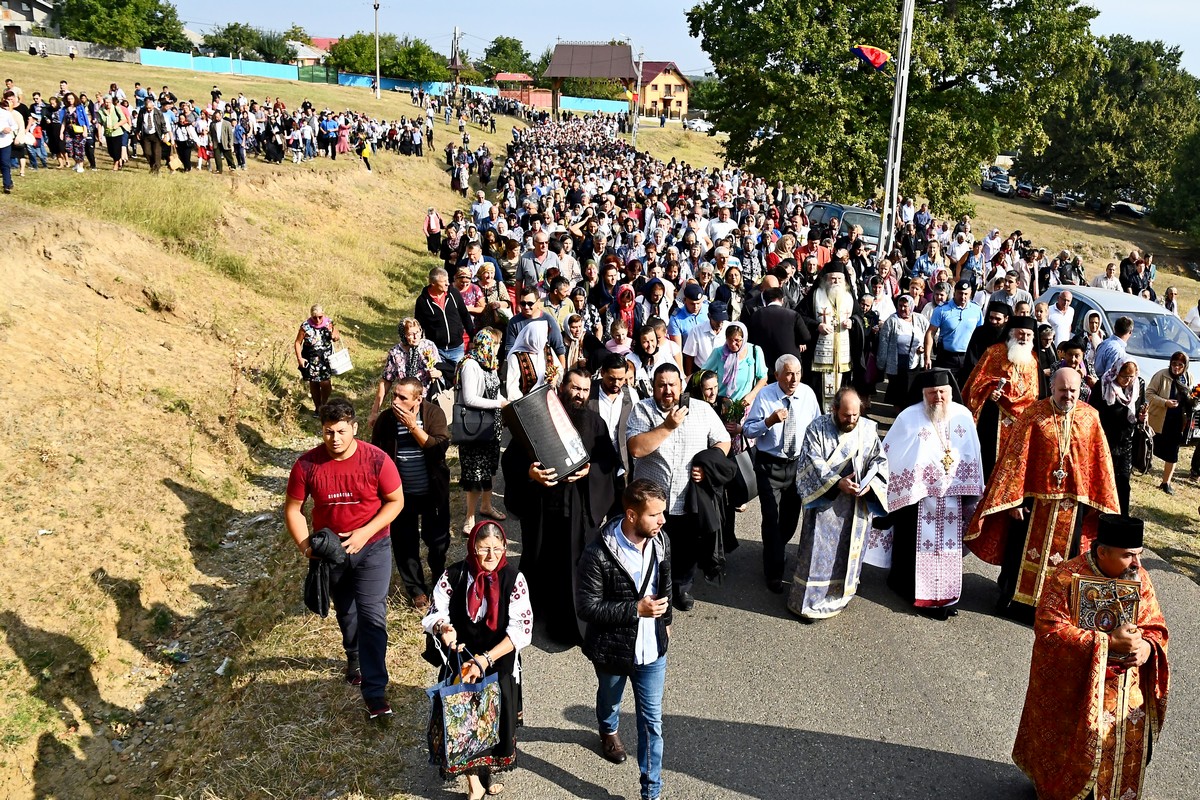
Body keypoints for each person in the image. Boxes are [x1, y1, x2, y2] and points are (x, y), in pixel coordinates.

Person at [1012, 514, 1169, 800]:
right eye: (1127, 556)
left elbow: (1155, 625)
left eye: (1139, 555)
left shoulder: (1139, 577)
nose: (1137, 564)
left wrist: (1146, 648)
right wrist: (1107, 643)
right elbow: (1049, 631)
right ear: (1101, 551)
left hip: (1125, 690)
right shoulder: (1065, 578)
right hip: (1077, 687)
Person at [966, 368, 1121, 622]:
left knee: (1067, 561)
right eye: (1063, 390)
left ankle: (1055, 610)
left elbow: (1100, 462)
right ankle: (1015, 602)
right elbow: (1015, 460)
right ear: (1052, 388)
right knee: (1021, 553)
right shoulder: (1034, 414)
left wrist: (1100, 503)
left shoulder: (1090, 417)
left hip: (1072, 505)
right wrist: (1012, 502)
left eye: (1073, 390)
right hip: (1033, 503)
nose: (1068, 395)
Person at [284, 399, 404, 718]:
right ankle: (353, 654)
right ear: (321, 431)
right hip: (332, 552)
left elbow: (396, 501)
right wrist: (305, 546)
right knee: (347, 613)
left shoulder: (377, 460)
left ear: (353, 428)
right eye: (328, 432)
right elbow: (293, 509)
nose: (334, 438)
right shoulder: (307, 465)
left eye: (341, 431)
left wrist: (366, 532)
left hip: (373, 547)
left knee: (372, 615)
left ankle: (375, 692)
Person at [575, 479, 673, 800]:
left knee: (651, 722)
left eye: (663, 513)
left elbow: (664, 585)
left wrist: (666, 622)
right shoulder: (598, 553)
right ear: (631, 515)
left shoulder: (661, 542)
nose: (662, 521)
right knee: (610, 698)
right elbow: (587, 607)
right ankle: (609, 728)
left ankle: (651, 791)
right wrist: (636, 609)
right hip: (613, 650)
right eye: (654, 515)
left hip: (652, 651)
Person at [504, 368, 617, 644]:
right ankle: (534, 618)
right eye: (574, 388)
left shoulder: (595, 423)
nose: (578, 394)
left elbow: (608, 464)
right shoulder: (538, 418)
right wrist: (530, 474)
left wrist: (590, 471)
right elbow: (512, 459)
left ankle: (572, 623)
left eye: (584, 390)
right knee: (540, 559)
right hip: (541, 506)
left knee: (577, 567)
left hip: (579, 508)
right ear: (562, 387)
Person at [422, 521, 532, 799]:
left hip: (498, 663)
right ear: (473, 548)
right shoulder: (455, 575)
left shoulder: (514, 579)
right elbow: (436, 612)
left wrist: (485, 660)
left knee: (494, 725)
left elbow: (521, 630)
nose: (491, 555)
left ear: (505, 547)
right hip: (460, 661)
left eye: (497, 548)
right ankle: (474, 784)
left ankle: (486, 772)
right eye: (484, 549)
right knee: (464, 724)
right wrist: (444, 630)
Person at [879, 370, 984, 619]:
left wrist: (973, 486)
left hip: (952, 496)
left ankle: (945, 595)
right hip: (917, 500)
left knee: (949, 546)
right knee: (912, 546)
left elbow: (973, 452)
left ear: (951, 392)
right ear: (923, 394)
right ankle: (913, 592)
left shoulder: (963, 415)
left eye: (942, 392)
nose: (938, 397)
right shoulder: (909, 416)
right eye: (932, 393)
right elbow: (892, 452)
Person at [626, 364, 731, 611]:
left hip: (688, 498)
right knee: (649, 548)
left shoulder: (702, 410)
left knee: (686, 549)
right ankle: (651, 590)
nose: (667, 390)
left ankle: (681, 587)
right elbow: (636, 448)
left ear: (681, 386)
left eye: (672, 384)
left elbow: (723, 441)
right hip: (652, 502)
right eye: (661, 385)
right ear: (653, 387)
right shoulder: (642, 410)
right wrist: (667, 426)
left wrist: (707, 465)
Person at [788, 387, 888, 620]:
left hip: (857, 504)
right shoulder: (817, 428)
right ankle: (809, 603)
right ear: (834, 410)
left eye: (855, 415)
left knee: (846, 551)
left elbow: (879, 461)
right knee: (817, 552)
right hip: (826, 503)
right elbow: (812, 461)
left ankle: (840, 597)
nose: (851, 420)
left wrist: (869, 485)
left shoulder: (868, 428)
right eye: (846, 415)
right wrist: (836, 482)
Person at [371, 377, 450, 611]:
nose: (395, 401)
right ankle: (416, 589)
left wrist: (413, 427)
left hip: (432, 492)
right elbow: (377, 458)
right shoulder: (385, 421)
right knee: (405, 543)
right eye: (394, 395)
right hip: (400, 497)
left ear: (418, 399)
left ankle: (438, 581)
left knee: (437, 543)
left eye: (402, 398)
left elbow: (439, 449)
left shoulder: (433, 414)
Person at [744, 355, 821, 592]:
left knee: (789, 521)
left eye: (797, 373)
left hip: (797, 465)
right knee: (772, 519)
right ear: (777, 375)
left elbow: (817, 426)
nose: (793, 379)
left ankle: (775, 548)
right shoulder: (766, 396)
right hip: (770, 466)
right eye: (788, 374)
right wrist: (768, 421)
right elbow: (748, 429)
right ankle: (774, 571)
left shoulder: (807, 394)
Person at [962, 317, 1041, 480]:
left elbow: (1037, 391)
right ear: (1012, 333)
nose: (1024, 339)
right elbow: (976, 383)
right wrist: (989, 392)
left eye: (1028, 335)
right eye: (1021, 334)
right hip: (995, 416)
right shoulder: (994, 353)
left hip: (1023, 420)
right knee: (990, 462)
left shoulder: (1033, 360)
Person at [457, 329, 510, 534]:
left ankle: (486, 506)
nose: (497, 349)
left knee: (490, 468)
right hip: (474, 426)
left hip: (491, 424)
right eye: (495, 344)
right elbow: (470, 399)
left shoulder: (490, 364)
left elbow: (495, 390)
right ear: (486, 344)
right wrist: (500, 403)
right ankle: (469, 517)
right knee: (473, 472)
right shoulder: (470, 364)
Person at [1093, 359, 1147, 515]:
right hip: (1105, 440)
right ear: (1117, 372)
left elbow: (1137, 412)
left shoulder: (1138, 386)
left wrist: (1142, 417)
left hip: (1126, 442)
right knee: (1103, 481)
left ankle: (1121, 519)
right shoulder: (1104, 384)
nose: (1128, 380)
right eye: (1124, 376)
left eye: (1131, 377)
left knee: (1123, 483)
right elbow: (1094, 413)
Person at [368, 319, 442, 426]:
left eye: (417, 332)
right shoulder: (396, 353)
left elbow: (441, 369)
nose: (416, 337)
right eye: (411, 334)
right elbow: (386, 381)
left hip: (427, 399)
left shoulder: (428, 346)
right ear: (404, 335)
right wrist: (374, 412)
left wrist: (438, 373)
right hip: (405, 400)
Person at [803, 263, 855, 412]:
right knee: (818, 394)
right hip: (820, 358)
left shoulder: (849, 296)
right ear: (826, 279)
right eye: (833, 278)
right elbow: (801, 316)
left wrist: (852, 322)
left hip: (842, 360)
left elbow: (859, 317)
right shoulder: (815, 295)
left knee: (841, 392)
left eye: (839, 279)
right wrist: (817, 326)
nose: (836, 282)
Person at [1146, 351, 1194, 494]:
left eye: (1180, 365)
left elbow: (1189, 397)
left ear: (1185, 366)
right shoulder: (1161, 375)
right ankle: (1144, 466)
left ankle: (1166, 482)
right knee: (1151, 446)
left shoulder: (1188, 378)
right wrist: (1164, 402)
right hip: (1159, 419)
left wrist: (1193, 400)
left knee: (1173, 452)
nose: (1176, 367)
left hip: (1178, 421)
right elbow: (1149, 393)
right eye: (1174, 364)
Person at [745, 286, 811, 382]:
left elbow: (750, 339)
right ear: (783, 300)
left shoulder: (756, 315)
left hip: (764, 365)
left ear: (765, 301)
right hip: (789, 364)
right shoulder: (793, 315)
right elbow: (806, 337)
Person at [700, 322, 768, 408]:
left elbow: (763, 377)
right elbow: (703, 374)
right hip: (722, 405)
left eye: (737, 340)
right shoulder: (719, 353)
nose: (732, 344)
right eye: (729, 340)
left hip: (746, 405)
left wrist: (751, 396)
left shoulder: (755, 351)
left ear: (744, 339)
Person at [878, 294, 930, 406]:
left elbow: (929, 334)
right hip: (897, 361)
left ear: (911, 306)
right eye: (900, 305)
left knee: (912, 388)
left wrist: (925, 349)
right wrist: (881, 363)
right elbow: (884, 341)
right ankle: (898, 414)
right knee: (898, 390)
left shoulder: (920, 319)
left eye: (905, 306)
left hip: (915, 360)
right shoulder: (892, 320)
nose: (902, 308)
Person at [415, 268, 475, 363]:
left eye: (447, 280)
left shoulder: (454, 294)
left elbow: (465, 316)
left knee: (457, 376)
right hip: (436, 350)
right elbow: (419, 326)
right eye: (443, 282)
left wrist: (472, 337)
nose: (447, 283)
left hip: (457, 348)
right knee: (439, 377)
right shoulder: (422, 301)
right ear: (433, 283)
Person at [294, 304, 341, 416]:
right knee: (314, 383)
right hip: (311, 359)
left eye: (320, 317)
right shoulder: (305, 326)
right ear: (311, 316)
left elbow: (336, 336)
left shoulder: (328, 323)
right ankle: (318, 407)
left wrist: (332, 333)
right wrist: (299, 358)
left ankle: (324, 404)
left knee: (325, 383)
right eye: (315, 317)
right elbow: (297, 342)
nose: (318, 320)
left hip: (325, 359)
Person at [505, 320, 559, 400]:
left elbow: (558, 370)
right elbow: (513, 390)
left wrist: (554, 379)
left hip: (550, 400)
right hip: (528, 405)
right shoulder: (516, 357)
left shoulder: (548, 350)